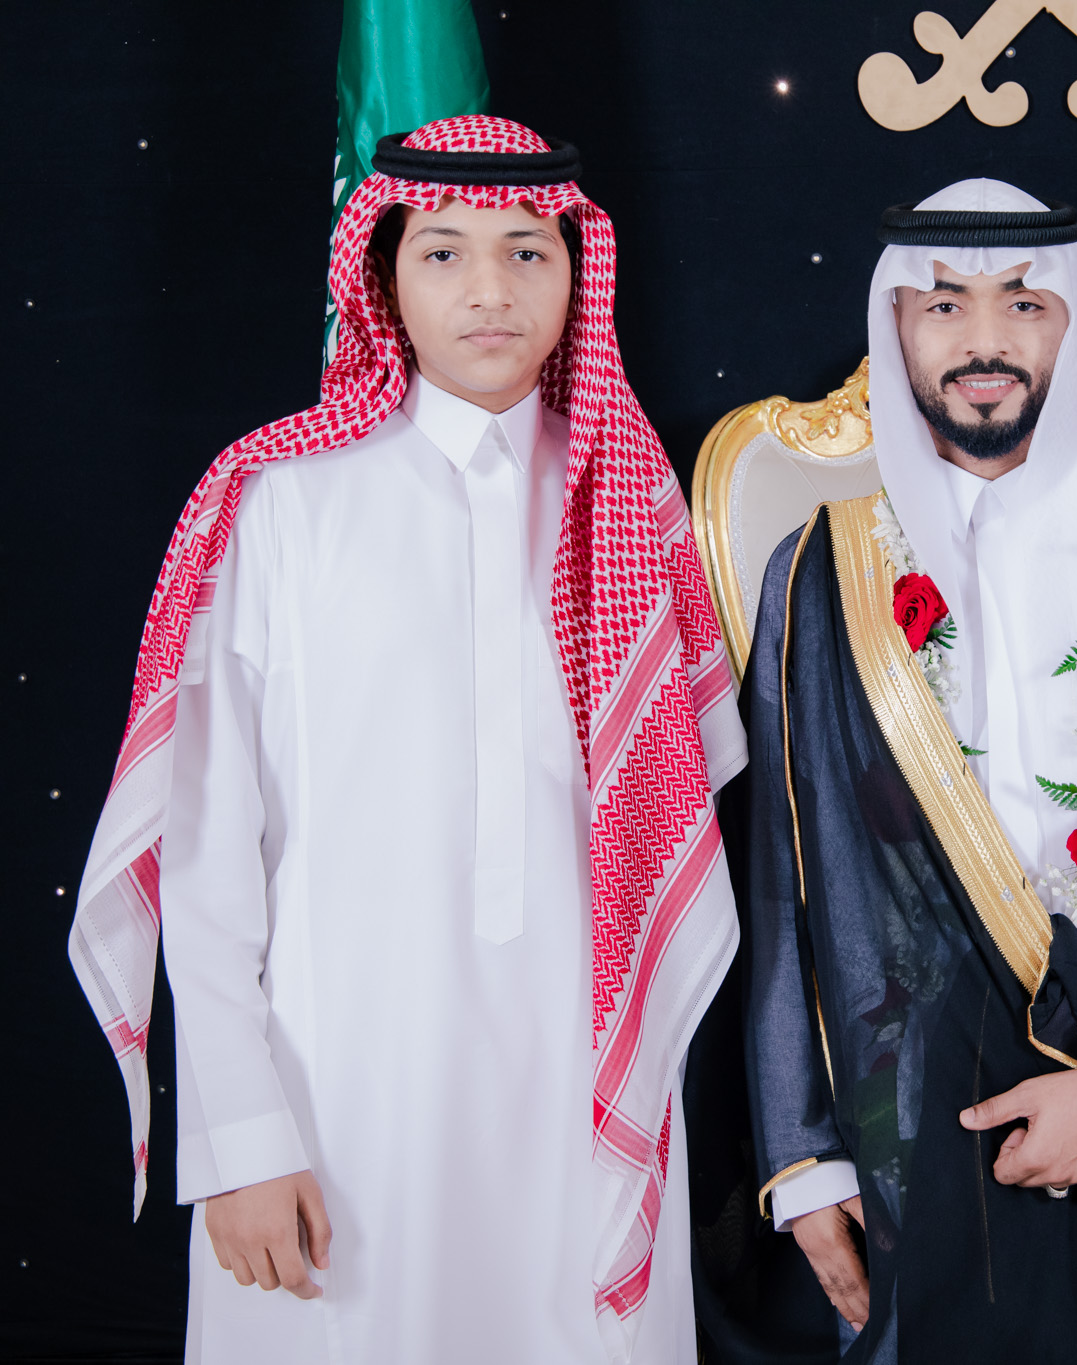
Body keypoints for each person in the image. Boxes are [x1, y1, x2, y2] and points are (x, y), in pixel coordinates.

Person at [67, 116, 745, 1364]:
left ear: (577, 272)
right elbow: (206, 854)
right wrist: (240, 1138)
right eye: (443, 253)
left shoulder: (632, 503)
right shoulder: (275, 501)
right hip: (335, 1089)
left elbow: (670, 832)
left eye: (527, 252)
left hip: (580, 1089)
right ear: (382, 278)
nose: (489, 290)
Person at [692, 180, 1077, 1363]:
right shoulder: (823, 572)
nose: (983, 340)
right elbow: (781, 884)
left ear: (1072, 325)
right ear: (895, 327)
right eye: (944, 304)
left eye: (1022, 304)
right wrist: (800, 1156)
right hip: (907, 1133)